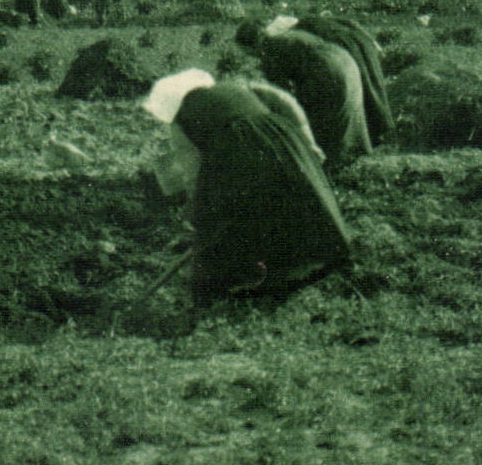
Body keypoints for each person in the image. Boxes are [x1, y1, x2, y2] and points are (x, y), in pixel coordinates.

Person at [142, 70, 350, 306]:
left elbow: (193, 174)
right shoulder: (237, 88)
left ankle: (232, 285)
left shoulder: (181, 122)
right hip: (280, 138)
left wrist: (197, 209)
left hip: (239, 152)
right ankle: (312, 262)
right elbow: (286, 103)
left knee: (227, 219)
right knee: (289, 199)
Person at [234, 18, 372, 165]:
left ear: (251, 45)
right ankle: (353, 161)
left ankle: (329, 165)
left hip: (326, 69)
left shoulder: (269, 50)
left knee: (320, 119)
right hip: (346, 61)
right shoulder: (286, 36)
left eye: (247, 52)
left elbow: (282, 95)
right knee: (345, 115)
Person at [287, 15, 393, 148]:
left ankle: (375, 132)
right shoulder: (327, 20)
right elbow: (353, 24)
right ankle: (380, 130)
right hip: (360, 43)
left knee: (362, 88)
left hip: (344, 47)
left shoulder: (300, 29)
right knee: (370, 87)